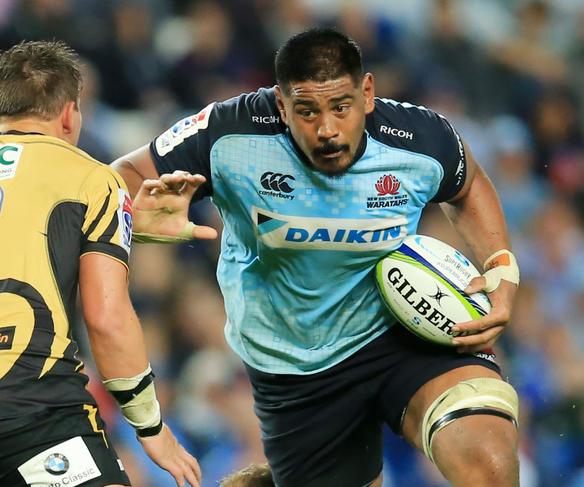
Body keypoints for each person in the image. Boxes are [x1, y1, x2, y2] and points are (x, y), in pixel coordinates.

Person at [114, 28, 521, 487]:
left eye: (340, 107)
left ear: (367, 93)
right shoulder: (231, 133)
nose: (326, 129)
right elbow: (124, 175)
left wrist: (501, 267)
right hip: (295, 368)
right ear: (281, 105)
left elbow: (467, 185)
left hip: (403, 326)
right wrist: (132, 215)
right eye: (306, 111)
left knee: (489, 461)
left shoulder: (417, 137)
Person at [0, 41, 204, 487]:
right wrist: (151, 427)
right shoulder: (92, 178)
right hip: (34, 409)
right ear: (71, 113)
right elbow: (107, 317)